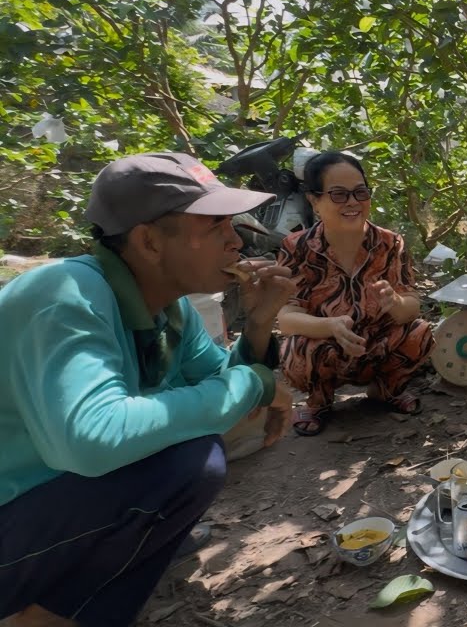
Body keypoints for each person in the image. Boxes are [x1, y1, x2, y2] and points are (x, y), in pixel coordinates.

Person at [0, 152, 296, 627]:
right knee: (190, 464)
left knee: (190, 458)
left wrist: (259, 325)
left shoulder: (167, 310)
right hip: (15, 514)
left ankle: (66, 602)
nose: (236, 241)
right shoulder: (63, 294)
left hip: (47, 510)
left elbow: (225, 403)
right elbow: (95, 438)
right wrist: (254, 382)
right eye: (215, 226)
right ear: (149, 242)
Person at [276, 152, 434, 436]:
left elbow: (412, 306)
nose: (353, 202)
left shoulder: (389, 243)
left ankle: (386, 391)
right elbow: (287, 318)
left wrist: (396, 303)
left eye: (360, 192)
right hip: (327, 351)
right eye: (338, 194)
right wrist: (330, 327)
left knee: (421, 333)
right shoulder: (296, 247)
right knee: (295, 348)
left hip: (378, 347)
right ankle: (319, 401)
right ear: (314, 199)